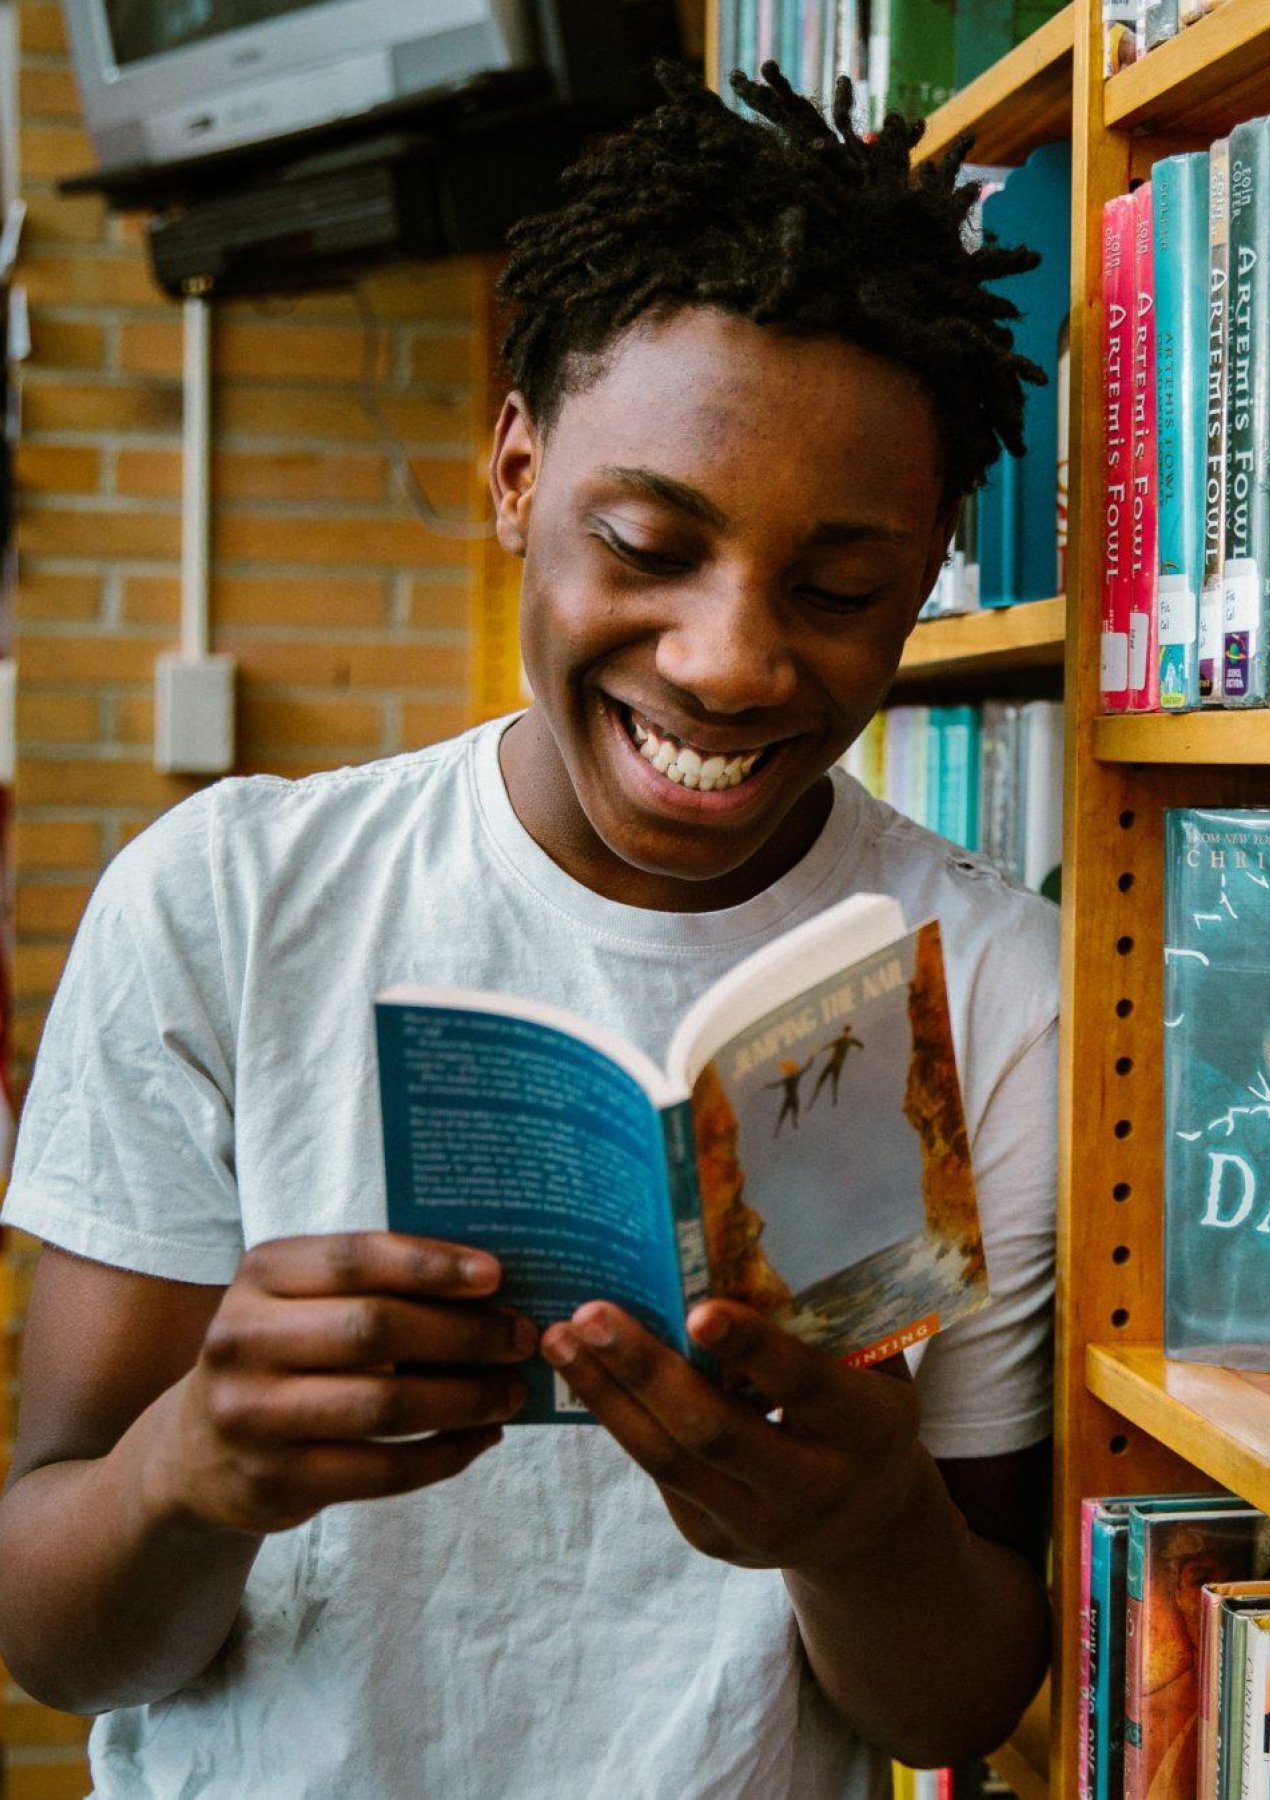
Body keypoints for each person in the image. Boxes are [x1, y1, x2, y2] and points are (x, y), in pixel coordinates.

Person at [0, 66, 1057, 1798]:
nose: (727, 660)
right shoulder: (228, 903)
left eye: (840, 587)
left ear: (934, 571)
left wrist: (863, 1526)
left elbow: (951, 1706)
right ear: (514, 472)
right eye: (648, 543)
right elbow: (53, 1639)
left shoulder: (999, 987)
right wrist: (190, 1466)